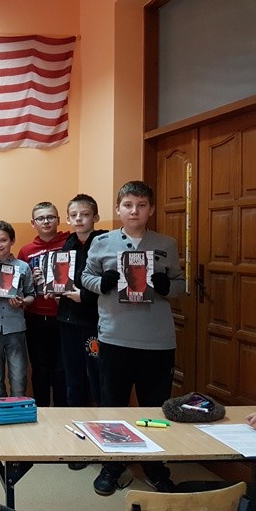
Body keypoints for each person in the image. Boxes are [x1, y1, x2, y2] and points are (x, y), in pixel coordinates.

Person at [82, 181, 185, 496]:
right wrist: (104, 283)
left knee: (155, 409)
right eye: (128, 205)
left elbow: (181, 285)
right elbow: (86, 278)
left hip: (157, 340)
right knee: (113, 405)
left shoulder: (165, 243)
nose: (134, 211)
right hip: (115, 337)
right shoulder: (102, 242)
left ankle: (155, 466)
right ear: (118, 209)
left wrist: (168, 286)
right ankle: (113, 465)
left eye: (141, 205)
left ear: (151, 209)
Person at [55, 194, 106, 470]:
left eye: (84, 214)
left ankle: (101, 436)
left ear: (95, 217)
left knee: (97, 379)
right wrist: (52, 287)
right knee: (72, 378)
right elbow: (61, 280)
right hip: (67, 320)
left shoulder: (104, 243)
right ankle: (78, 438)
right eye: (73, 215)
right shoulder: (67, 245)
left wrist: (83, 296)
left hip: (94, 322)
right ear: (68, 218)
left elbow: (109, 284)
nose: (79, 219)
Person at [17, 202, 69, 407]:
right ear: (33, 223)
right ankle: (40, 411)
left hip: (64, 315)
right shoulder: (27, 251)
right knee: (39, 368)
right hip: (36, 316)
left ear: (58, 219)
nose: (46, 222)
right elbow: (20, 285)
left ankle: (61, 413)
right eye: (40, 218)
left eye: (50, 217)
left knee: (62, 369)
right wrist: (31, 276)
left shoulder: (69, 243)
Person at [0, 221, 35, 398]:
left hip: (16, 329)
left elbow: (31, 295)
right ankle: (0, 416)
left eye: (3, 240)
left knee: (19, 378)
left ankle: (17, 416)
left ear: (12, 241)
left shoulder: (23, 267)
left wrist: (22, 301)